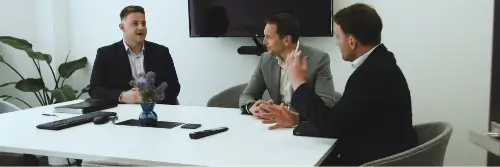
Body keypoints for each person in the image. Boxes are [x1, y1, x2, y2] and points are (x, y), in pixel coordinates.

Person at [258, 3, 418, 166]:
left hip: (372, 160)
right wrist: (298, 120)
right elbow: (341, 121)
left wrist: (299, 83)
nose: (336, 43)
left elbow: (332, 126)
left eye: (338, 37)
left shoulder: (370, 75)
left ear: (351, 42)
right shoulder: (380, 63)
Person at [239, 13, 336, 118]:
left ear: (286, 40)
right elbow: (247, 95)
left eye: (268, 37)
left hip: (302, 124)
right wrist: (252, 106)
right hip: (275, 123)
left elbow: (327, 103)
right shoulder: (265, 59)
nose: (264, 42)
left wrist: (289, 113)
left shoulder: (319, 59)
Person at [89, 5, 180, 105]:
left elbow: (174, 86)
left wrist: (151, 96)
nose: (141, 27)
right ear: (122, 27)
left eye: (143, 23)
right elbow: (95, 90)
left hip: (157, 109)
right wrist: (122, 96)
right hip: (122, 111)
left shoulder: (161, 52)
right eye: (135, 23)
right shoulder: (105, 54)